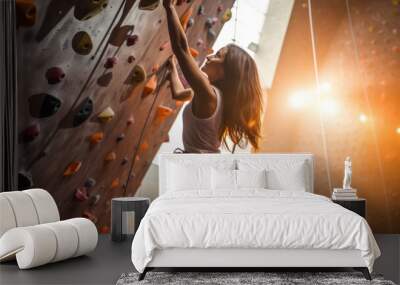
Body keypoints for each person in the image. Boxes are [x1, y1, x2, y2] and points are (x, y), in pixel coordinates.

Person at [164, 0, 264, 153]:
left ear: (227, 71)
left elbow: (181, 49)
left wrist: (169, 7)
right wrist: (172, 69)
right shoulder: (213, 98)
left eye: (218, 55)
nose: (209, 56)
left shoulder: (209, 96)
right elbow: (178, 94)